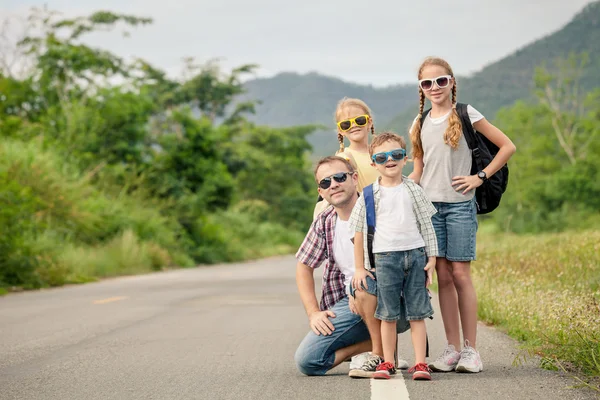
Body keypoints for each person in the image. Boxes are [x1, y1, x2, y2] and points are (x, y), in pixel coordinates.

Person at [408, 56, 516, 373]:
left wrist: (479, 177)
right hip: (429, 208)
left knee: (460, 274)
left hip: (459, 206)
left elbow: (507, 146)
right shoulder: (420, 123)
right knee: (442, 277)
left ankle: (471, 351)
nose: (435, 87)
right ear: (421, 88)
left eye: (441, 80)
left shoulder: (467, 113)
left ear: (452, 81)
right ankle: (452, 349)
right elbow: (418, 171)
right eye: (427, 83)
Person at [295, 155, 408, 377]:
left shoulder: (381, 209)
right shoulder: (325, 220)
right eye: (325, 182)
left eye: (339, 177)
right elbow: (303, 266)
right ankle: (385, 346)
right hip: (350, 304)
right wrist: (314, 313)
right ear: (321, 192)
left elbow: (406, 259)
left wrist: (359, 289)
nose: (333, 185)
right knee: (308, 361)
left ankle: (379, 354)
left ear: (354, 178)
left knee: (362, 283)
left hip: (397, 299)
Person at [349, 132, 439, 381]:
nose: (390, 160)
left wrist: (432, 258)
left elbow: (427, 225)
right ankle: (388, 361)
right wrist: (360, 267)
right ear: (373, 163)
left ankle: (421, 363)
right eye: (382, 157)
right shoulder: (368, 195)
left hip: (415, 255)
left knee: (417, 311)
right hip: (385, 259)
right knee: (387, 313)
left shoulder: (414, 190)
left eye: (396, 155)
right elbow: (358, 233)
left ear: (405, 158)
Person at [313, 98, 380, 219]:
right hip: (366, 220)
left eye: (359, 120)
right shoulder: (344, 159)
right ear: (340, 130)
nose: (353, 125)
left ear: (369, 122)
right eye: (346, 124)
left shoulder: (384, 153)